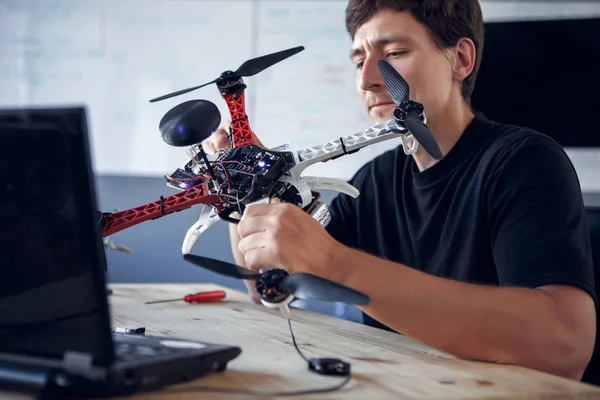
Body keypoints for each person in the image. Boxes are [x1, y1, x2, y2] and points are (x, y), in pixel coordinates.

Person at [203, 0, 596, 382]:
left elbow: (564, 343)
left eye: (394, 52)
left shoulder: (523, 162)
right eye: (359, 61)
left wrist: (334, 262)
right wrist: (249, 186)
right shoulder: (375, 180)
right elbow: (266, 284)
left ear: (460, 59)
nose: (367, 79)